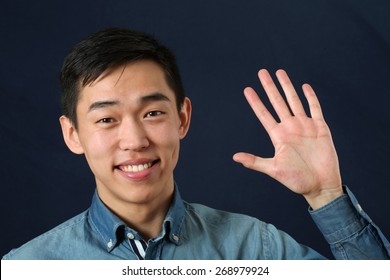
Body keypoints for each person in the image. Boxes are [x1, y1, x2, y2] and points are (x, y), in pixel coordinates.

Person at [3, 28, 389, 260]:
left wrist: (326, 195)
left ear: (182, 118)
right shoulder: (30, 266)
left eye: (153, 113)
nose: (135, 140)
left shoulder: (254, 247)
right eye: (106, 119)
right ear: (73, 134)